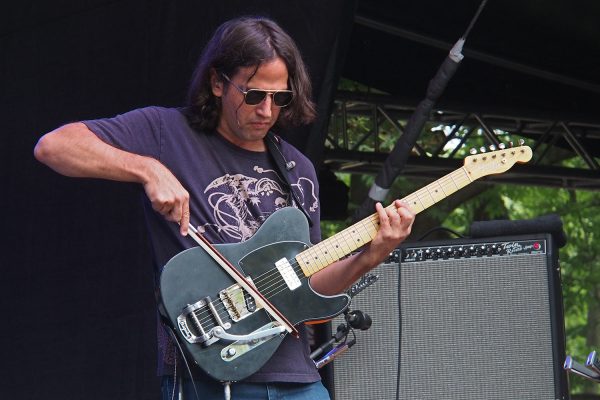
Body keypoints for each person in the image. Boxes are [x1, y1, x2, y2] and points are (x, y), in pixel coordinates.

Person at [34, 15, 414, 400]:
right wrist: (147, 169)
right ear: (217, 83)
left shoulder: (299, 170)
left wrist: (370, 256)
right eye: (253, 95)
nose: (267, 110)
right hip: (208, 370)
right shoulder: (166, 132)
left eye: (279, 98)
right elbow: (55, 146)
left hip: (295, 376)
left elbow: (309, 294)